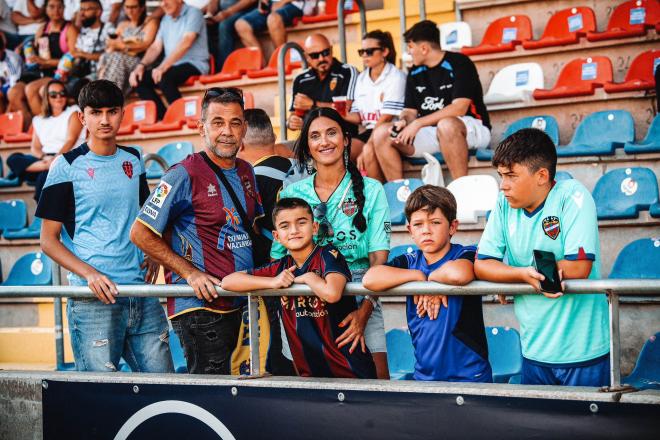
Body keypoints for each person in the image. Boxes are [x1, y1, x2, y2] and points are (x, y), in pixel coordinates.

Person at [35, 80, 173, 373]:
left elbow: (142, 216)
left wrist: (151, 253)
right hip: (92, 299)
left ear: (123, 114)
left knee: (165, 386)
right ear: (82, 118)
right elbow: (48, 240)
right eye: (96, 112)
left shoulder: (134, 159)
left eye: (112, 111)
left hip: (139, 291)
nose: (105, 120)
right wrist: (90, 274)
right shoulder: (66, 165)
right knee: (99, 398)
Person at [130, 87, 264, 375]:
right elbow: (140, 233)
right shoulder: (182, 173)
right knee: (212, 399)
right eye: (217, 122)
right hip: (202, 309)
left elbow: (251, 229)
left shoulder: (246, 171)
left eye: (235, 123)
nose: (227, 131)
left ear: (244, 129)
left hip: (243, 303)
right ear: (201, 127)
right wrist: (189, 272)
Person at [474, 128, 610, 387]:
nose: (503, 185)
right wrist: (518, 275)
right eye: (501, 176)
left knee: (587, 427)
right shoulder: (503, 204)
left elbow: (578, 266)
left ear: (542, 176)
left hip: (583, 351)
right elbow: (483, 265)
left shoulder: (573, 196)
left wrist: (510, 277)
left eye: (511, 176)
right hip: (534, 351)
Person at [272, 107, 391, 379]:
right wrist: (296, 285)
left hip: (359, 292)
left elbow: (379, 260)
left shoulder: (372, 190)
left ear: (346, 139)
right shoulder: (291, 193)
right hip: (304, 297)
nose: (324, 142)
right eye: (315, 136)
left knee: (379, 390)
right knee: (312, 392)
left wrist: (363, 312)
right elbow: (279, 258)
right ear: (307, 146)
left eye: (331, 133)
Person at [223, 197, 378, 379]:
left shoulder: (328, 254)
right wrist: (272, 283)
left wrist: (308, 277)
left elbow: (332, 293)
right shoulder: (281, 268)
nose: (294, 230)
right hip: (310, 374)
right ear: (276, 236)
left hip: (350, 370)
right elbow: (228, 282)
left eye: (301, 222)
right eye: (285, 226)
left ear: (314, 228)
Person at [363, 185, 492, 382]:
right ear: (409, 230)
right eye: (418, 224)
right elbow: (370, 278)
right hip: (425, 375)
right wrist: (418, 277)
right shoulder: (410, 262)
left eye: (435, 222)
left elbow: (460, 273)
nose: (426, 231)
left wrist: (430, 280)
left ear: (452, 227)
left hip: (470, 374)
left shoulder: (464, 252)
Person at [371, 20, 491, 181]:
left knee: (446, 124)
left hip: (470, 128)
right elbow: (410, 111)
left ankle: (461, 190)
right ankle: (400, 194)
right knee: (381, 133)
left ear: (424, 48)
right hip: (432, 132)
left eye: (411, 47)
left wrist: (418, 123)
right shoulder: (415, 72)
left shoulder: (460, 63)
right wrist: (405, 121)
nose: (409, 52)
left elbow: (459, 109)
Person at [129, 0, 209, 120]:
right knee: (139, 79)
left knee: (164, 76)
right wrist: (141, 65)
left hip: (195, 63)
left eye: (166, 0)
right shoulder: (166, 19)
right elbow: (156, 47)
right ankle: (164, 117)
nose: (163, 4)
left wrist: (163, 66)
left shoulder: (194, 13)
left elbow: (187, 42)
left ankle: (182, 117)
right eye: (161, 1)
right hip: (171, 66)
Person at [6, 79, 85, 200]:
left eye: (62, 93)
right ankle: (46, 168)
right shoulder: (39, 119)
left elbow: (70, 140)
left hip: (67, 158)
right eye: (53, 95)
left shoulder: (73, 112)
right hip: (44, 160)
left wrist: (55, 161)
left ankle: (43, 215)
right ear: (46, 98)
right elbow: (35, 147)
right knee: (14, 158)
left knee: (44, 177)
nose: (58, 97)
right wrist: (45, 161)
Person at [343, 30, 405, 180]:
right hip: (369, 130)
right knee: (340, 152)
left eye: (369, 51)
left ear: (384, 52)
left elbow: (386, 117)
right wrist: (341, 113)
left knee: (369, 150)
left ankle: (377, 196)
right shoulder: (362, 78)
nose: (364, 55)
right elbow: (359, 117)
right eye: (362, 51)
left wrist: (366, 147)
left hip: (390, 129)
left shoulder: (396, 76)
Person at [8, 0, 73, 127]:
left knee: (31, 89)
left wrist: (47, 62)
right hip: (38, 71)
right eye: (52, 7)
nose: (56, 11)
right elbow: (37, 52)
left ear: (64, 8)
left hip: (57, 73)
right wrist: (32, 56)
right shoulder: (42, 28)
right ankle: (31, 126)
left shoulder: (70, 29)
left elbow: (73, 59)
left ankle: (46, 126)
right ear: (46, 9)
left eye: (60, 7)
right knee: (13, 92)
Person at [286, 34, 358, 135]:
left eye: (325, 52)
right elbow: (294, 113)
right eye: (315, 55)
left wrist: (313, 104)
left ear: (331, 50)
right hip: (310, 138)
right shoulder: (300, 79)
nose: (321, 59)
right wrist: (292, 122)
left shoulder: (348, 71)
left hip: (342, 135)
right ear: (307, 57)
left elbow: (346, 109)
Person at [98, 0, 159, 96]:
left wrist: (123, 46)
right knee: (106, 56)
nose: (130, 11)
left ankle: (111, 94)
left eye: (133, 7)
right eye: (127, 7)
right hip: (120, 60)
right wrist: (115, 46)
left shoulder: (150, 22)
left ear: (142, 7)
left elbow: (146, 44)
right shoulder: (123, 24)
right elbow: (112, 45)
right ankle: (104, 90)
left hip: (141, 61)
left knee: (117, 58)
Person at [234, 0, 303, 66]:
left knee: (273, 19)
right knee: (241, 25)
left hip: (296, 4)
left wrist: (283, 1)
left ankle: (281, 62)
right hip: (272, 4)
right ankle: (261, 65)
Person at [63, 0, 113, 82]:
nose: (82, 14)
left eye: (86, 10)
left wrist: (82, 54)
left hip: (101, 74)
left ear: (98, 12)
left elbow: (110, 56)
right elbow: (76, 56)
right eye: (81, 9)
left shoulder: (108, 29)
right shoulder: (83, 31)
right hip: (82, 74)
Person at [206, 0, 255, 72]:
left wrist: (228, 12)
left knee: (224, 25)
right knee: (204, 26)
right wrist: (209, 14)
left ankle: (223, 68)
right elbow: (213, 2)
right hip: (223, 13)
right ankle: (211, 67)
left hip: (245, 10)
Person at [0, 31, 23, 113]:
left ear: (3, 49)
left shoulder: (12, 60)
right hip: (4, 85)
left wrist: (7, 111)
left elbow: (14, 88)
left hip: (16, 85)